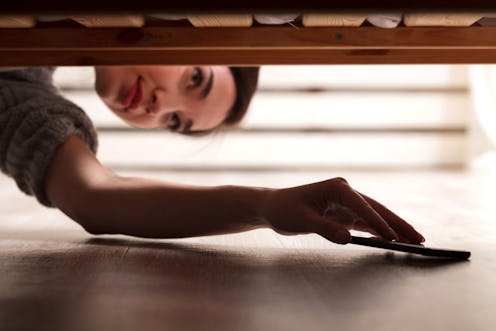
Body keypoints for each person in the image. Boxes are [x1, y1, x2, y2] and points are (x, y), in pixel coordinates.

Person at [0, 66, 425, 245]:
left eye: (173, 122)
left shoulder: (19, 96)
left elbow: (94, 195)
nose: (158, 107)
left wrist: (265, 205)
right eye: (195, 78)